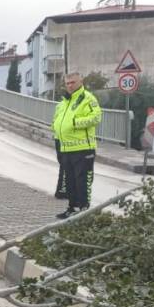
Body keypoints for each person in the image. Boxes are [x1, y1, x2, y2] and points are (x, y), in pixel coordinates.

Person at [53, 72, 102, 218]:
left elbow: (96, 117)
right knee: (69, 180)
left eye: (73, 82)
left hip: (83, 148)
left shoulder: (87, 98)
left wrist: (75, 123)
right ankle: (72, 208)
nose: (70, 85)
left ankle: (83, 210)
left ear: (81, 81)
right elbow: (57, 120)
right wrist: (55, 127)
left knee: (82, 181)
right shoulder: (64, 102)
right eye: (67, 83)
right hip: (66, 147)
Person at [51, 91, 68, 199]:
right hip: (65, 139)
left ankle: (63, 190)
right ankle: (62, 191)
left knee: (64, 165)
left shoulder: (59, 105)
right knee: (65, 166)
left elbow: (54, 122)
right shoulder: (71, 106)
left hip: (58, 138)